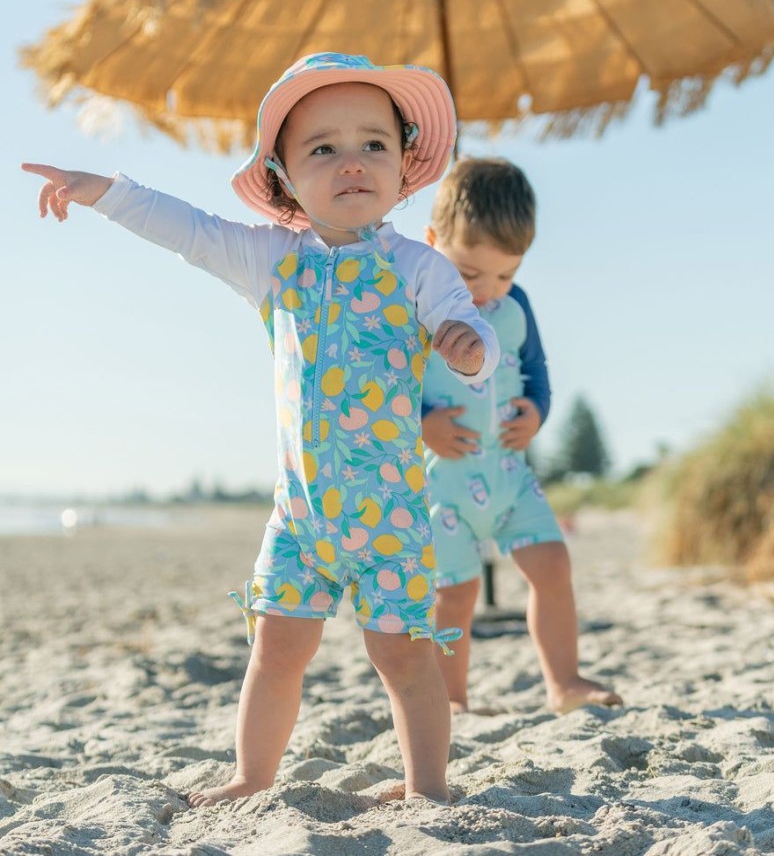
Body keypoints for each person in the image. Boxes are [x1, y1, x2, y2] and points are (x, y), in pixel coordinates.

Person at [22, 52, 501, 807]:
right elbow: (189, 230)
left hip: (390, 515)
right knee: (274, 651)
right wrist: (105, 193)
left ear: (404, 163)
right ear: (282, 177)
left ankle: (427, 787)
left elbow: (466, 330)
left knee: (403, 657)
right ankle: (252, 776)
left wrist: (469, 352)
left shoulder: (419, 267)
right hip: (299, 515)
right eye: (323, 148)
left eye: (373, 143)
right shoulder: (272, 261)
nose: (352, 163)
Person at [421, 157, 623, 715]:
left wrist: (535, 411)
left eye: (505, 275)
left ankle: (564, 682)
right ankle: (450, 698)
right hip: (442, 484)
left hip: (507, 471)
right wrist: (422, 423)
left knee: (553, 565)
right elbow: (382, 386)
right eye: (467, 274)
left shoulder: (517, 307)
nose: (487, 292)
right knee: (454, 593)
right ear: (432, 239)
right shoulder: (412, 307)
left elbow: (537, 372)